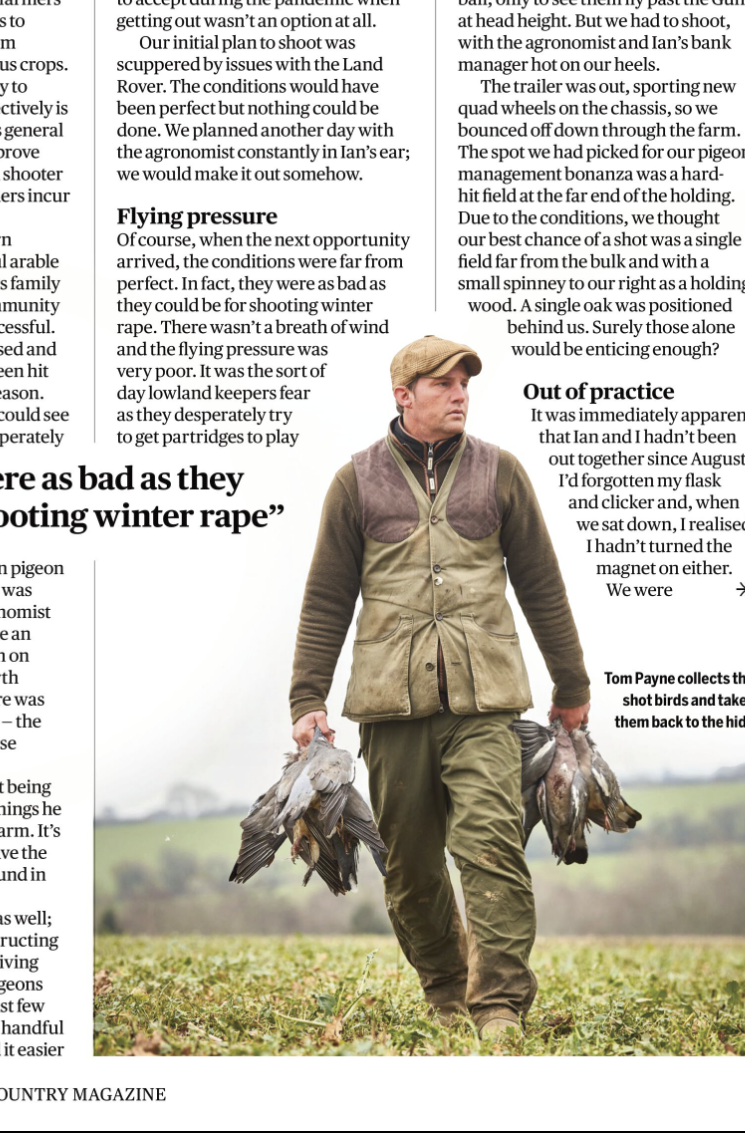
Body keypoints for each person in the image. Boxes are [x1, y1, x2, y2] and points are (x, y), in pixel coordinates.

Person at [287, 335, 590, 1036]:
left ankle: (500, 1006)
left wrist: (570, 683)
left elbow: (542, 584)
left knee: (490, 843)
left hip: (485, 704)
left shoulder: (501, 474)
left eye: (465, 384)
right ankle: (449, 995)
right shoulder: (355, 482)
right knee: (411, 867)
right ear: (404, 395)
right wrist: (307, 700)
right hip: (390, 708)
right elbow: (327, 597)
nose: (460, 394)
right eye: (444, 383)